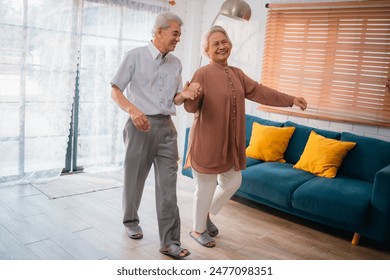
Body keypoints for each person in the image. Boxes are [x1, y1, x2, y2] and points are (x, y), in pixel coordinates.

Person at [184, 26, 307, 248]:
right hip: (207, 142)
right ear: (206, 50)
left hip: (230, 143)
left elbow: (261, 92)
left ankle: (204, 215)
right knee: (205, 187)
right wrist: (189, 94)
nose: (221, 47)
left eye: (224, 41)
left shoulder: (237, 74)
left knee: (234, 180)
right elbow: (191, 107)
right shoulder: (202, 73)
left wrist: (291, 99)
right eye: (215, 44)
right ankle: (197, 229)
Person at [110, 12, 200, 259]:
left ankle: (170, 242)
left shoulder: (176, 64)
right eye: (175, 33)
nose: (178, 39)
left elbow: (174, 99)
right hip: (139, 126)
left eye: (180, 35)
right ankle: (130, 220)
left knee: (168, 186)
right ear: (159, 31)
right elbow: (115, 91)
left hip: (166, 129)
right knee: (135, 179)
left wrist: (187, 93)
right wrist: (133, 110)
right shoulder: (135, 57)